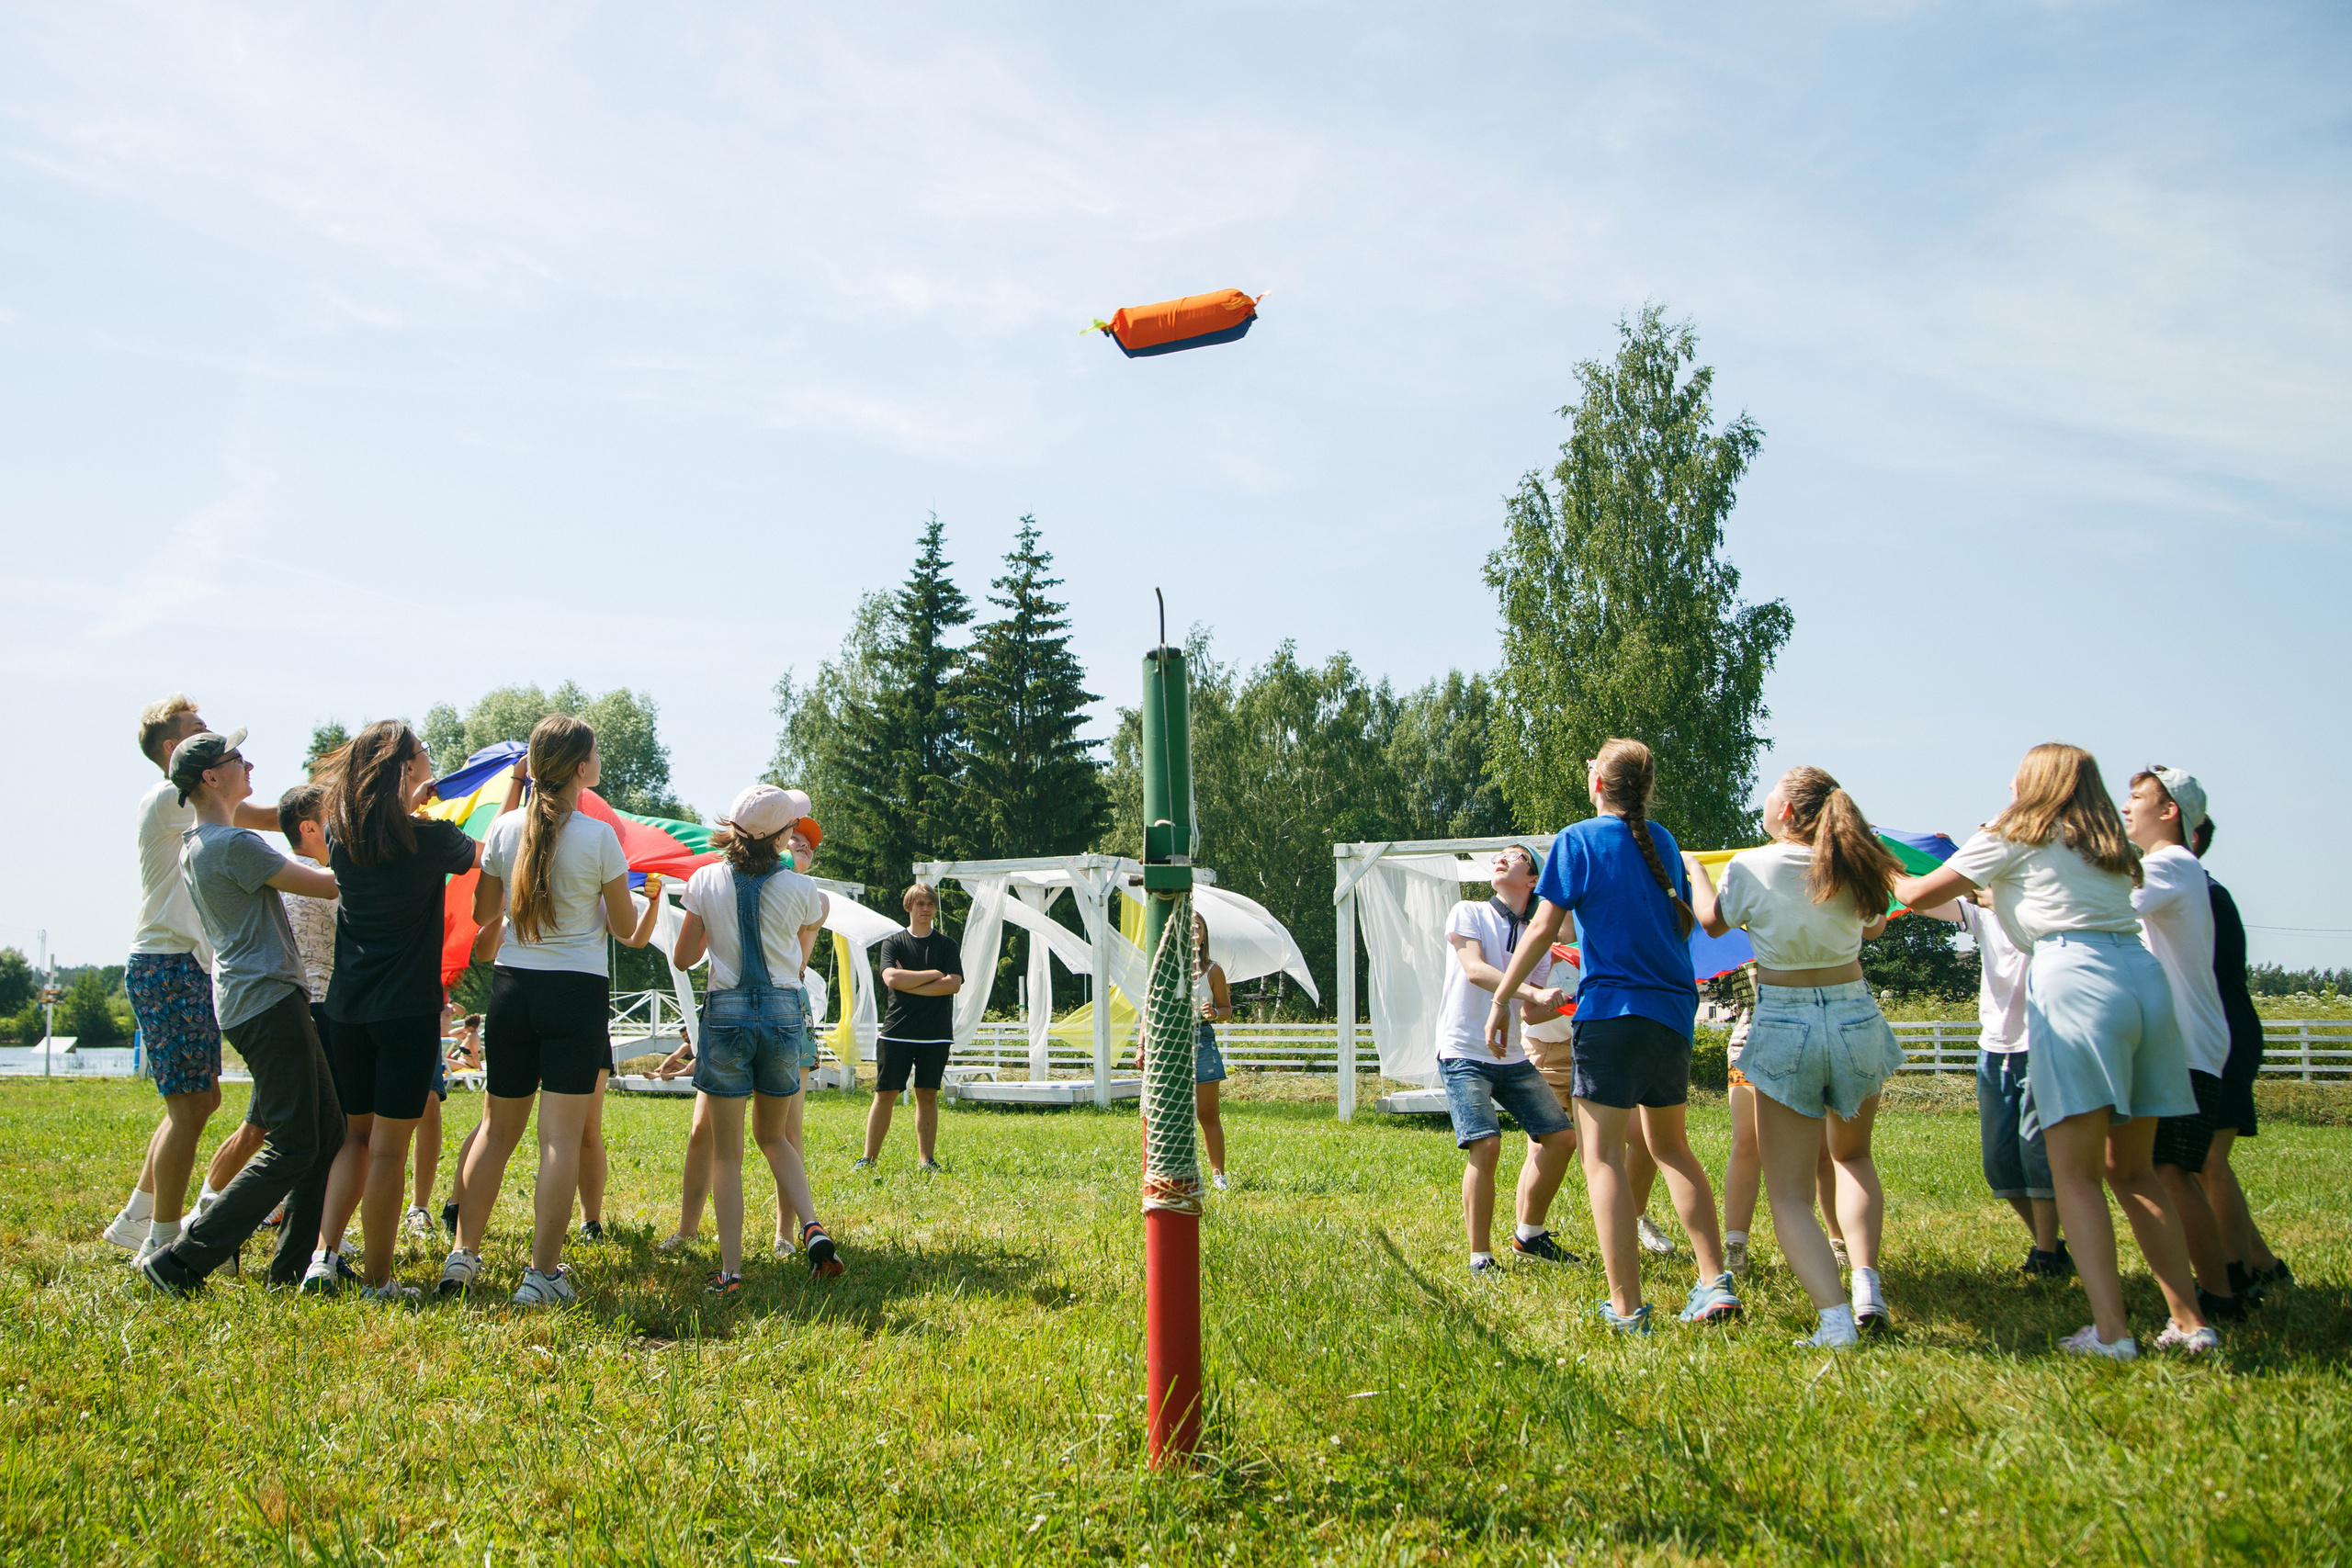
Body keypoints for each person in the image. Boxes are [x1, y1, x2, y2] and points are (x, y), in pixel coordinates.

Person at [1893, 743, 2213, 1359]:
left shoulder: (2014, 828)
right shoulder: (2107, 844)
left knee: (2075, 1174)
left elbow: (1913, 892)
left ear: (2036, 781)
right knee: (2135, 1168)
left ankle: (2113, 1333)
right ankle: (2190, 1322)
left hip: (2074, 980)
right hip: (2141, 980)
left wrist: (1875, 860)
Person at [1484, 740, 1741, 1334]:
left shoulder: (1578, 839)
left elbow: (1545, 924)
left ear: (1597, 782)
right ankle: (1712, 1281)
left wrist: (1503, 998)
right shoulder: (1667, 842)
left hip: (1611, 1015)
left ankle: (1626, 1308)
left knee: (1601, 1158)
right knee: (1670, 1147)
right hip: (1673, 1013)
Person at [440, 716, 662, 1306]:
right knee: (558, 1139)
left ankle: (462, 1257)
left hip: (512, 991)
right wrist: (653, 908)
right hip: (574, 993)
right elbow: (625, 930)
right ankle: (542, 1274)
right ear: (581, 769)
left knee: (496, 1129)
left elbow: (486, 912)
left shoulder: (506, 829)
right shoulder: (599, 837)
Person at [1686, 766, 1905, 1348]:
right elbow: (1876, 926)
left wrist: (1693, 873)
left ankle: (1835, 1319)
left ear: (1785, 813)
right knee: (1853, 1158)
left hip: (1786, 1018)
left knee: (1788, 1193)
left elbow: (1711, 924)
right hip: (1856, 1011)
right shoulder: (1853, 861)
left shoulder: (1751, 865)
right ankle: (1866, 1288)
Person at [137, 729, 345, 1295]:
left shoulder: (199, 843)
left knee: (326, 1133)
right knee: (295, 1141)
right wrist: (371, 842)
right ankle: (181, 1259)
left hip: (254, 1000)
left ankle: (288, 1271)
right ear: (211, 776)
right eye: (237, 760)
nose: (249, 765)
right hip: (268, 1001)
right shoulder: (233, 845)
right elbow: (328, 884)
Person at [312, 723, 509, 1298]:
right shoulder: (430, 840)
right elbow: (492, 851)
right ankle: (377, 1280)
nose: (430, 758)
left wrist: (412, 802)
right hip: (407, 1011)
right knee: (388, 1151)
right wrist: (514, 791)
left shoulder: (339, 834)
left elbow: (386, 827)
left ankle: (322, 1259)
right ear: (403, 767)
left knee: (354, 1139)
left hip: (346, 1006)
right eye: (422, 753)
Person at [108, 695, 280, 1265]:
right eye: (198, 731)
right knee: (189, 1106)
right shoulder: (168, 797)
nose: (211, 739)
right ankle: (160, 1239)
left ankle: (137, 1218)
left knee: (200, 1100)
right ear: (171, 749)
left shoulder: (180, 802)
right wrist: (334, 802)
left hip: (182, 963)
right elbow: (254, 817)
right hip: (167, 962)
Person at [672, 784, 842, 1288]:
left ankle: (731, 1271)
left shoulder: (704, 879)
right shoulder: (804, 891)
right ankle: (810, 1225)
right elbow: (802, 950)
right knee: (776, 1136)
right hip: (784, 1014)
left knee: (727, 1153)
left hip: (725, 1015)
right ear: (783, 836)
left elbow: (683, 958)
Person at [2123, 766, 2244, 1322]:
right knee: (2169, 1168)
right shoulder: (2173, 867)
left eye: (2139, 798)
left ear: (2170, 811)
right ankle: (2218, 1290)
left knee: (2170, 1169)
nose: (2127, 807)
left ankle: (2218, 1296)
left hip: (2185, 1045)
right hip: (2184, 1041)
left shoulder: (2168, 864)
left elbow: (2116, 906)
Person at [191, 784, 336, 1229]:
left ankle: (209, 1210)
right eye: (339, 819)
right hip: (307, 1007)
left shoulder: (281, 869)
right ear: (311, 828)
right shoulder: (306, 875)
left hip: (284, 1004)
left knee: (268, 1127)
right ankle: (207, 1227)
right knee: (297, 1136)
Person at [1437, 846, 1579, 1274]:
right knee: (1488, 1143)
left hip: (1511, 1056)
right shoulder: (1469, 911)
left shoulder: (1542, 936)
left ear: (1533, 880)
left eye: (1515, 856)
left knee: (1561, 1139)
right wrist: (1535, 992)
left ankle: (1529, 1235)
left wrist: (1568, 996)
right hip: (1462, 1049)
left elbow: (1530, 1013)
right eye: (1499, 855)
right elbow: (1476, 970)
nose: (1501, 858)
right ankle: (1480, 1256)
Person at [1917, 886, 2067, 1279]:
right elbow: (1921, 901)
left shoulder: (2047, 905)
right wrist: (1920, 862)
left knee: (2037, 1154)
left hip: (2042, 1043)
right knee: (1999, 1163)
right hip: (1995, 1047)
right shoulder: (1983, 915)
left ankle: (2047, 1253)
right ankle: (2049, 1243)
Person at [2197, 821, 2291, 1297]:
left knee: (2209, 1159)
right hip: (2215, 1034)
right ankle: (2262, 1262)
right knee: (2200, 1163)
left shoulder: (2204, 894)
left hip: (2225, 1035)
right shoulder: (2194, 889)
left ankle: (2236, 1275)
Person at [860, 883, 962, 1170]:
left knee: (927, 1095)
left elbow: (953, 984)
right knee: (886, 1094)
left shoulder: (947, 945)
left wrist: (910, 984)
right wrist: (933, 976)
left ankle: (926, 1160)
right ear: (909, 907)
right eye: (920, 904)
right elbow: (891, 979)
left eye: (930, 904)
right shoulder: (893, 942)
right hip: (897, 1032)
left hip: (935, 1035)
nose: (925, 909)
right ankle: (868, 1159)